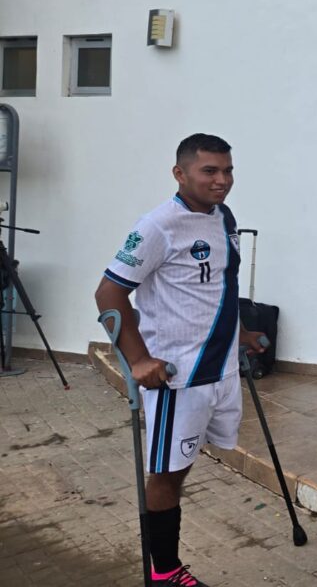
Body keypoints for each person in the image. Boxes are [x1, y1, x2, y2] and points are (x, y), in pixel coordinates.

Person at [94, 134, 264, 587]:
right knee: (167, 474)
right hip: (177, 377)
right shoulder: (157, 227)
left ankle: (164, 565)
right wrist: (138, 359)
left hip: (221, 371)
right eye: (210, 171)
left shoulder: (224, 217)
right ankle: (164, 571)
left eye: (227, 170)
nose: (222, 180)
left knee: (183, 466)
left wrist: (240, 333)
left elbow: (217, 287)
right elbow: (109, 294)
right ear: (180, 173)